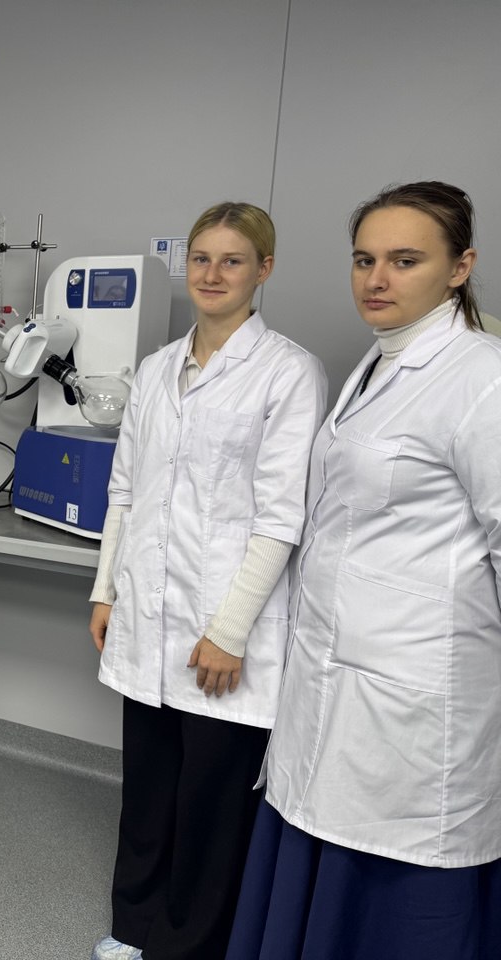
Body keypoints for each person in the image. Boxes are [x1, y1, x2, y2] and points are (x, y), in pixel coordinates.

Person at [225, 182, 501, 960]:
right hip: (338, 677)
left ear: (460, 267)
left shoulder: (482, 378)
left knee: (396, 898)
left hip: (420, 690)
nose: (377, 279)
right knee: (322, 846)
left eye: (405, 260)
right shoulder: (381, 362)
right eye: (363, 260)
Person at [86, 203, 327, 959]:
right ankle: (131, 927)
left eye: (232, 260)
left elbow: (281, 519)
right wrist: (105, 591)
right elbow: (124, 491)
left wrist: (227, 631)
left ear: (264, 269)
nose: (213, 274)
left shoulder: (288, 372)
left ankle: (186, 945)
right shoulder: (157, 369)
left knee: (210, 805)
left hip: (224, 628)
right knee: (148, 789)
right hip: (146, 614)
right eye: (200, 259)